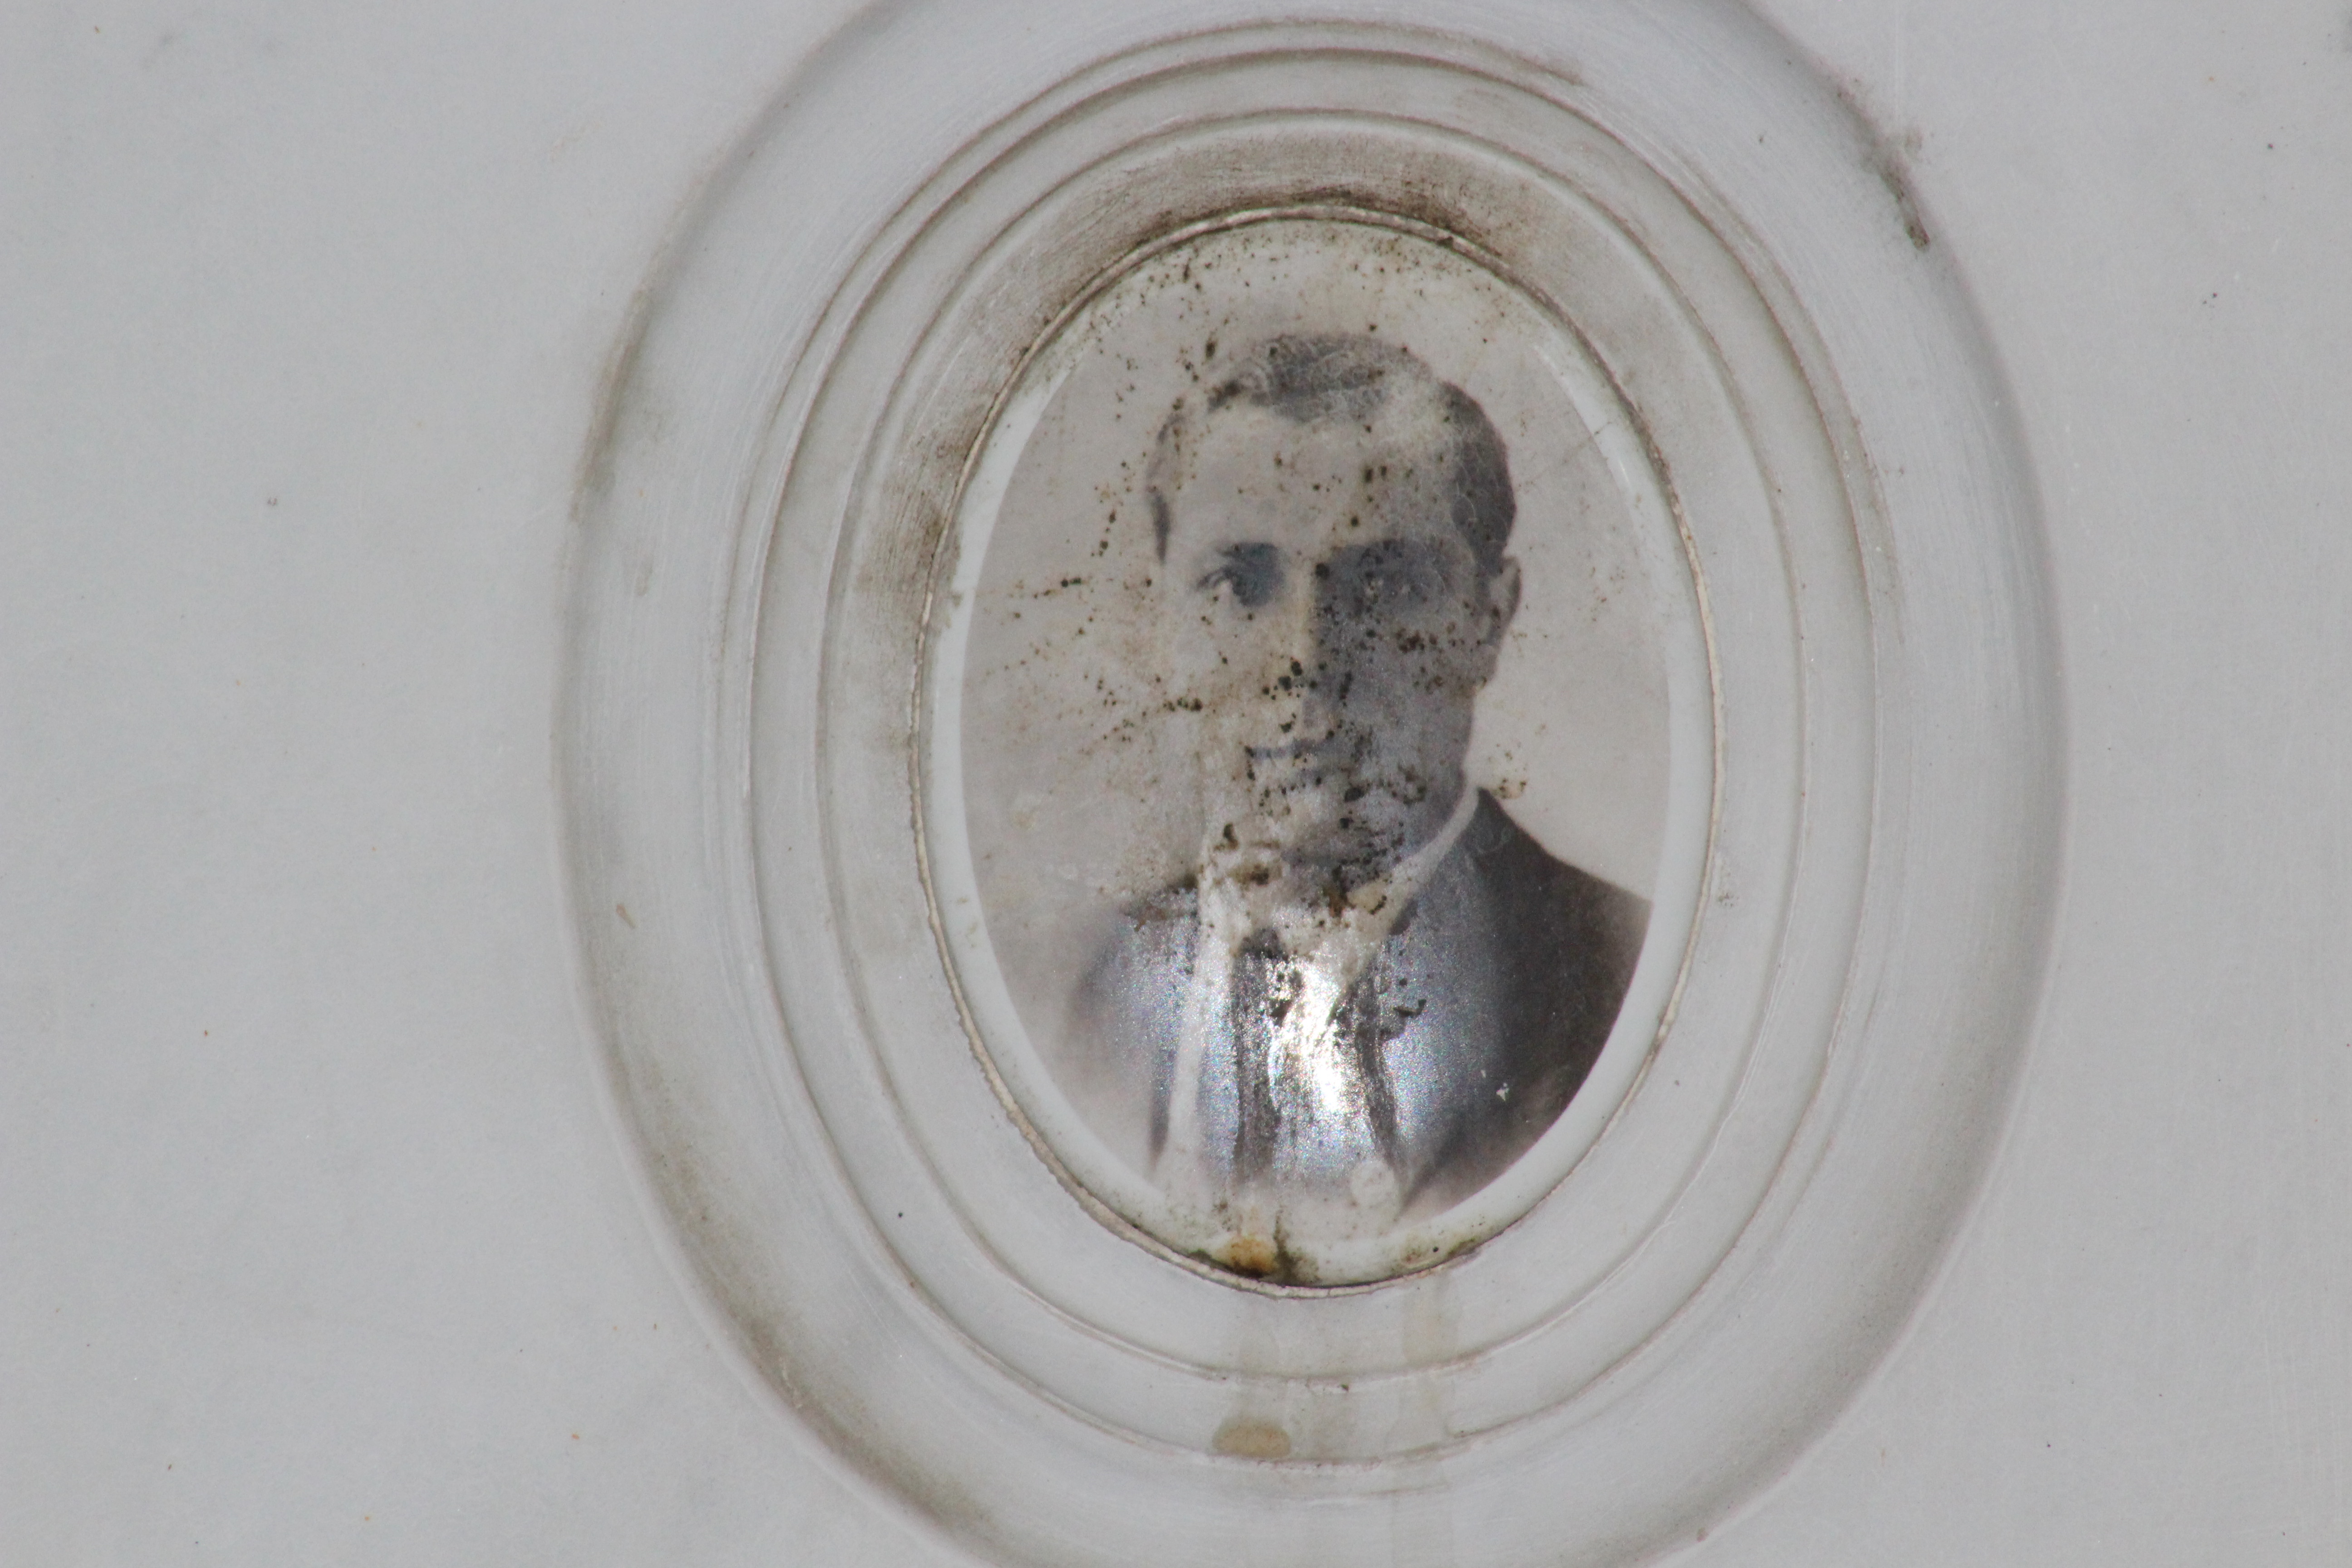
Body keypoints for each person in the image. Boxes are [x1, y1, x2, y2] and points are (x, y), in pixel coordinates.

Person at [1073, 333, 1647, 1280]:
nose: (1307, 659)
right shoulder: (1080, 998)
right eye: (1241, 584)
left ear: (1488, 621)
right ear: (1162, 615)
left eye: (1383, 587)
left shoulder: (1620, 980)